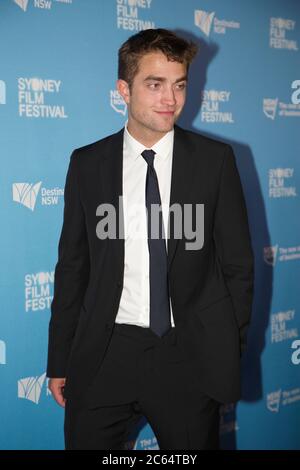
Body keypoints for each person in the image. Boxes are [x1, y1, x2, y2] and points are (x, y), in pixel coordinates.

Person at [47, 28, 254, 450]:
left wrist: (224, 348)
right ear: (123, 89)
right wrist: (60, 359)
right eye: (154, 84)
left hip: (187, 355)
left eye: (179, 85)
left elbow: (238, 266)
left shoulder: (215, 161)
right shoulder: (87, 165)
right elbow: (72, 267)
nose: (170, 100)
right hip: (106, 351)